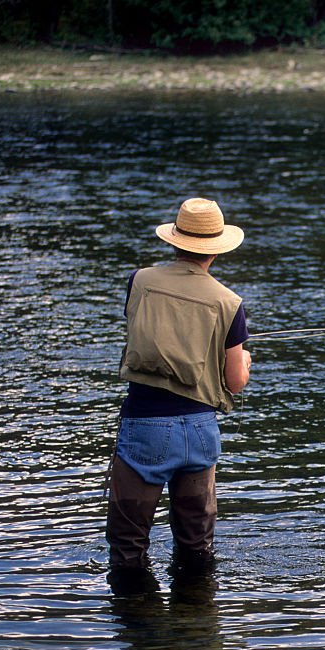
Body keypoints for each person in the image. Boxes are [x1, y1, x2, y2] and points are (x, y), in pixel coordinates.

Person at [106, 197, 251, 574]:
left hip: (145, 427)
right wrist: (245, 361)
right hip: (200, 432)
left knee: (128, 549)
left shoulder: (140, 281)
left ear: (174, 240)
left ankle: (138, 626)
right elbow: (234, 383)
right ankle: (198, 627)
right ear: (216, 250)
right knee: (196, 550)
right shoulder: (229, 302)